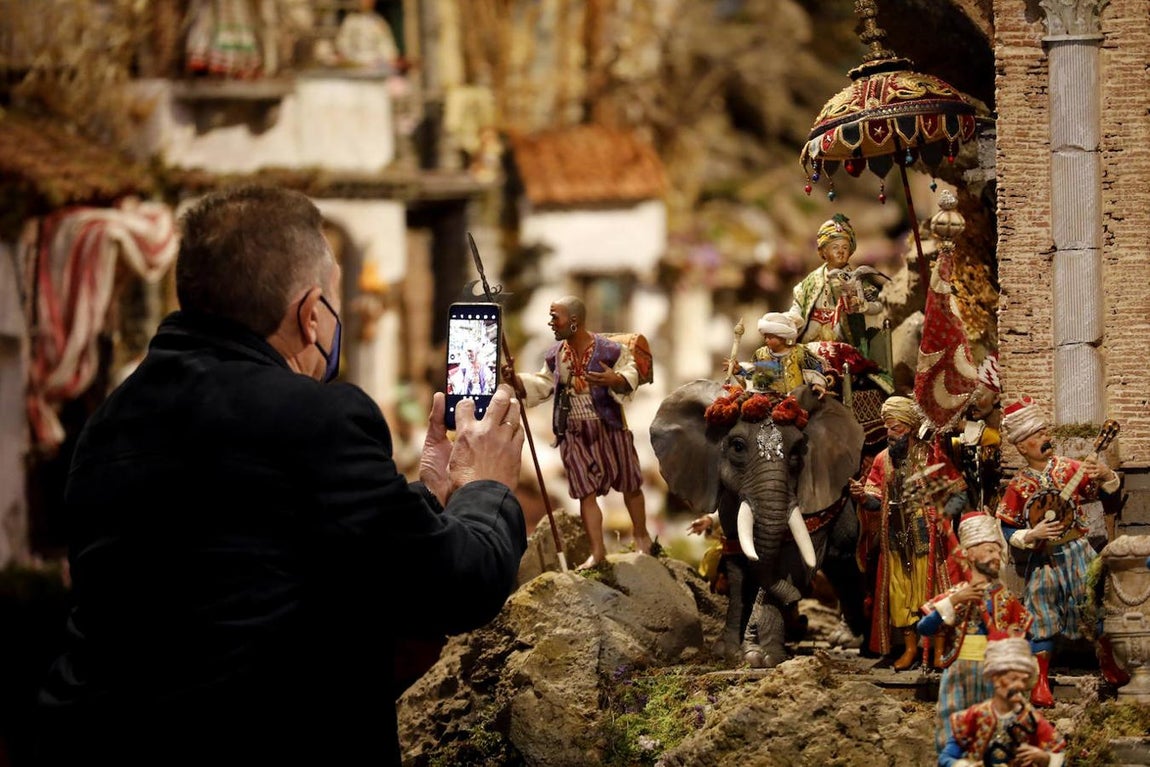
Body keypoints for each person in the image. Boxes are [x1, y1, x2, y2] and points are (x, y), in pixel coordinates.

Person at [33, 185, 528, 767]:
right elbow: (454, 586)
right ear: (311, 311)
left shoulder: (110, 424)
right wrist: (486, 488)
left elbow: (256, 560)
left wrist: (426, 497)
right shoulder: (315, 417)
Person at [995, 394, 1121, 707]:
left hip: (1078, 550)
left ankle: (1110, 667)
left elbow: (1105, 491)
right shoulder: (1018, 486)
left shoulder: (1069, 469)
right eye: (1037, 436)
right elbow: (1007, 527)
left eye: (1044, 433)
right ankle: (1039, 683)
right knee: (1040, 612)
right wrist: (1031, 534)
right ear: (1022, 446)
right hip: (1044, 558)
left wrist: (1106, 475)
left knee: (1094, 605)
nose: (1045, 439)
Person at [509, 296, 652, 570]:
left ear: (574, 321)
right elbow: (543, 384)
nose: (551, 323)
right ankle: (597, 551)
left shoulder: (610, 350)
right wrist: (516, 381)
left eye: (556, 317)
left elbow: (630, 372)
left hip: (608, 425)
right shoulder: (555, 355)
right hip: (573, 429)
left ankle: (642, 535)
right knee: (585, 492)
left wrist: (617, 379)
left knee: (630, 482)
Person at [851, 395, 962, 670]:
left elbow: (958, 492)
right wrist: (862, 498)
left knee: (933, 594)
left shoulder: (931, 455)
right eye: (887, 427)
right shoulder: (881, 459)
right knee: (901, 597)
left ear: (910, 428)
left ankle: (936, 650)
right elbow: (875, 497)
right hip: (895, 539)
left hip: (927, 535)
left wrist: (943, 514)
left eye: (896, 428)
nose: (889, 434)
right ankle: (910, 649)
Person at [918, 512, 1032, 753]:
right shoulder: (957, 593)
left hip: (994, 674)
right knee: (955, 727)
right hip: (960, 672)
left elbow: (1024, 634)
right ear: (968, 554)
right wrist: (955, 601)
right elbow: (925, 628)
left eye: (997, 550)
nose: (995, 556)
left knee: (996, 731)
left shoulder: (1005, 597)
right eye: (989, 550)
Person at [940, 637, 1067, 767]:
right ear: (995, 678)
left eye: (1023, 680)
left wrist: (1044, 758)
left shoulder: (1031, 719)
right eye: (1012, 679)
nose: (1019, 685)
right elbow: (946, 758)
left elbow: (1062, 758)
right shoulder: (975, 715)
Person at [785, 213, 885, 353]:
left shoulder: (855, 279)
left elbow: (878, 305)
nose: (840, 252)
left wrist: (863, 306)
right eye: (835, 248)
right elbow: (799, 305)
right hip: (811, 337)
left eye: (844, 248)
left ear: (850, 252)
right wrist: (792, 318)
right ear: (822, 252)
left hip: (843, 338)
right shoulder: (811, 280)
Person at [727, 311, 827, 397]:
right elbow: (753, 377)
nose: (766, 340)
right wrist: (739, 371)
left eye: (770, 337)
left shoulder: (800, 352)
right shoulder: (760, 354)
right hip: (766, 402)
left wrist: (817, 384)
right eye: (765, 337)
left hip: (797, 402)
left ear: (782, 337)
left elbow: (815, 368)